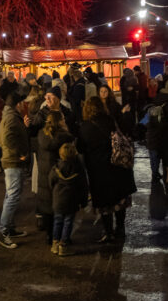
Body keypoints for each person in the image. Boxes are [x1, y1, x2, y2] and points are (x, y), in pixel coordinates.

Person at [79, 96, 137, 243]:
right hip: (116, 165)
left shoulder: (85, 127)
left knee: (104, 203)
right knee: (119, 199)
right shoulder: (110, 121)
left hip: (98, 169)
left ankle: (108, 231)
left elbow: (80, 147)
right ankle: (120, 228)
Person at [0, 85, 31, 249]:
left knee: (10, 195)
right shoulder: (11, 118)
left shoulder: (10, 116)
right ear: (18, 104)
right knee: (12, 196)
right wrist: (19, 154)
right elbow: (7, 139)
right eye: (23, 102)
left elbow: (1, 139)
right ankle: (3, 231)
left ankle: (9, 227)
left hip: (11, 160)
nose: (25, 105)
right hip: (12, 161)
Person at [37, 111, 74, 246]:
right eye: (63, 119)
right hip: (58, 174)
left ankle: (50, 235)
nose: (64, 120)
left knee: (47, 205)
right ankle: (61, 237)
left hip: (44, 174)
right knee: (60, 205)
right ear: (59, 122)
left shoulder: (42, 135)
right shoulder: (64, 137)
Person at [49, 142, 89, 257]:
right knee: (68, 222)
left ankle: (55, 243)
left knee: (57, 221)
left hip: (58, 200)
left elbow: (50, 182)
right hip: (72, 200)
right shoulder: (78, 169)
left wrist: (54, 192)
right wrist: (83, 202)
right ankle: (64, 245)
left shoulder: (56, 168)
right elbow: (84, 186)